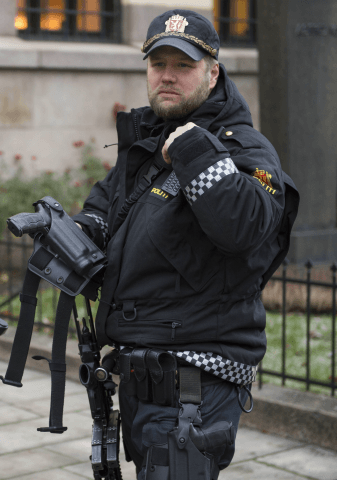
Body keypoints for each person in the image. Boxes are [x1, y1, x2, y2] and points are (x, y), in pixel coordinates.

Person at [72, 10, 299, 480]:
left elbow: (247, 225)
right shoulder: (148, 145)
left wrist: (196, 151)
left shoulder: (243, 147)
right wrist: (76, 233)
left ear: (213, 72)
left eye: (184, 64)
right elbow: (105, 206)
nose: (168, 76)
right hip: (142, 383)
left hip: (194, 389)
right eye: (158, 64)